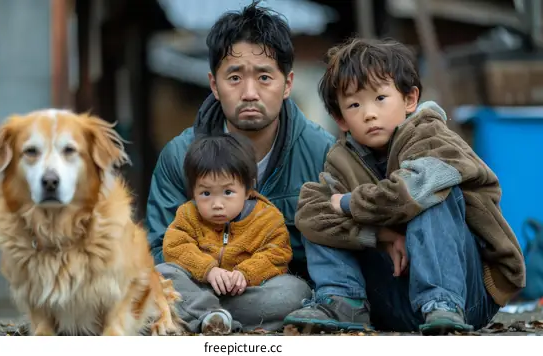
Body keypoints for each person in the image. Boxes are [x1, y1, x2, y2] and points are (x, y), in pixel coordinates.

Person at [283, 37, 526, 335]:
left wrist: (348, 204)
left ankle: (441, 301)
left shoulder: (433, 137)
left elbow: (412, 190)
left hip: (466, 296)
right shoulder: (341, 159)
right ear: (341, 119)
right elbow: (310, 214)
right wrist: (380, 235)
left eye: (380, 98)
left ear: (410, 99)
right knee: (319, 208)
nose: (369, 113)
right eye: (354, 104)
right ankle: (343, 301)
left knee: (432, 192)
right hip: (391, 300)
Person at [148, 2, 334, 282]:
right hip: (201, 289)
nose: (249, 93)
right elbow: (158, 250)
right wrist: (211, 274)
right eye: (234, 77)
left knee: (287, 291)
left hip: (283, 294)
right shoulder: (179, 155)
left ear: (287, 84)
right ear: (214, 85)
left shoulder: (321, 152)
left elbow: (341, 247)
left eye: (264, 77)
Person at [162, 133, 295, 333]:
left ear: (248, 188)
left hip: (246, 294)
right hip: (199, 289)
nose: (217, 204)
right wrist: (209, 271)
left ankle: (208, 316)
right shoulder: (188, 214)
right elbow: (175, 247)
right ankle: (209, 314)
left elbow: (277, 254)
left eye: (228, 192)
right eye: (206, 193)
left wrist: (245, 274)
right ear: (193, 191)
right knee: (162, 273)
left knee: (294, 290)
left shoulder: (267, 217)